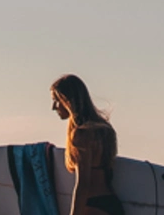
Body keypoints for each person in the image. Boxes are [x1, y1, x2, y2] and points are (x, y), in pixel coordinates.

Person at [51, 74, 122, 215]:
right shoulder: (104, 129)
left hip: (93, 205)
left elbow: (83, 183)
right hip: (112, 203)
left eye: (56, 100)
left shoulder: (81, 135)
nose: (54, 107)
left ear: (67, 101)